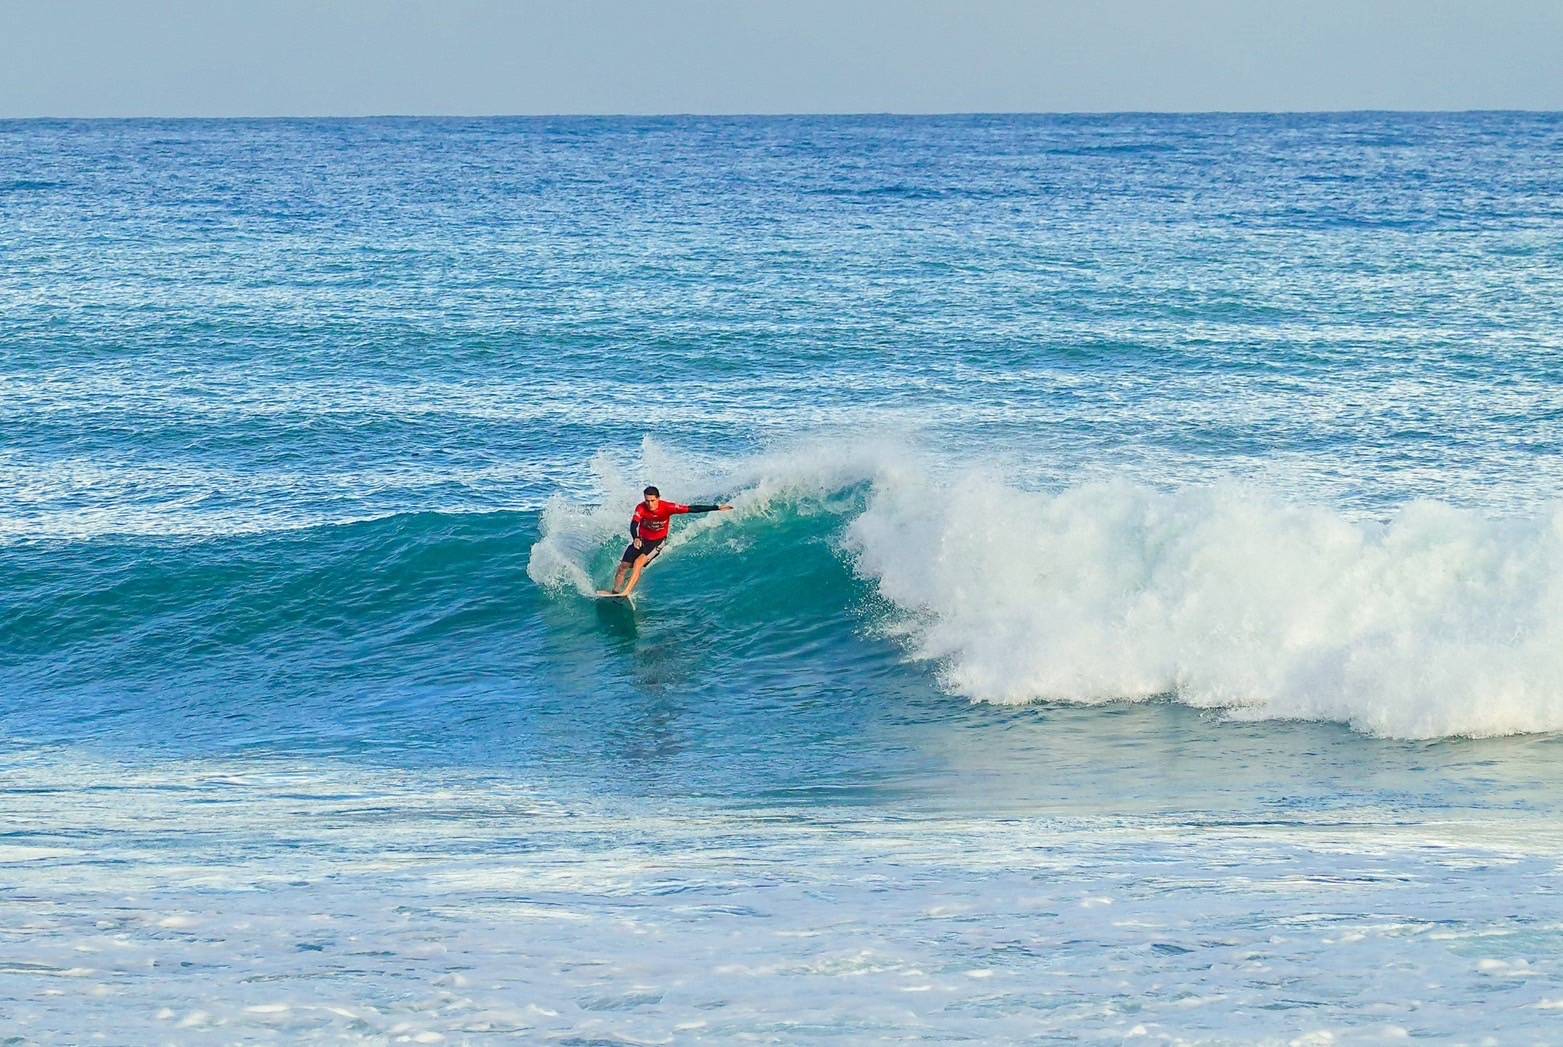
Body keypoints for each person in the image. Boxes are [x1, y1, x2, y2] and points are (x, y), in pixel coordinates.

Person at [607, 485, 732, 596]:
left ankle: (627, 591)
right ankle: (616, 591)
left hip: (657, 541)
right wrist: (636, 538)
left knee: (638, 563)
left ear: (658, 498)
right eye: (647, 501)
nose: (650, 504)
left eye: (652, 500)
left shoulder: (668, 507)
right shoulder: (641, 508)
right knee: (623, 566)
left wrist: (717, 507)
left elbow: (692, 509)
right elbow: (634, 524)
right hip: (642, 539)